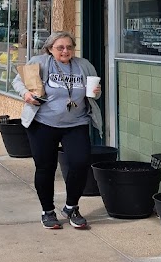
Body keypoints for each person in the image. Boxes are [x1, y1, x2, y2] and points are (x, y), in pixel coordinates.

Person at [12, 31, 102, 230]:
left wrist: (96, 92)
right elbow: (18, 80)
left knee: (80, 163)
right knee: (45, 167)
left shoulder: (83, 65)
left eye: (69, 47)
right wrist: (25, 94)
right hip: (43, 124)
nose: (65, 51)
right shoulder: (41, 62)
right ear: (50, 49)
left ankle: (71, 207)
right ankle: (48, 211)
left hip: (76, 123)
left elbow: (94, 93)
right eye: (60, 47)